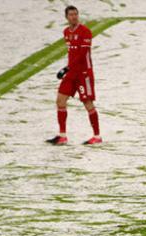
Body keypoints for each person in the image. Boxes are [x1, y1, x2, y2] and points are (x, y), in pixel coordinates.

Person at [46, 5, 101, 145]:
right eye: (71, 14)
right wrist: (69, 69)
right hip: (72, 73)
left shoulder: (85, 32)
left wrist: (67, 68)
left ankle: (97, 136)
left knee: (87, 103)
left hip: (84, 74)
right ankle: (62, 136)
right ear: (66, 17)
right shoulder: (66, 32)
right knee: (60, 101)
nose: (74, 17)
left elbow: (82, 55)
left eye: (76, 14)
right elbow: (72, 53)